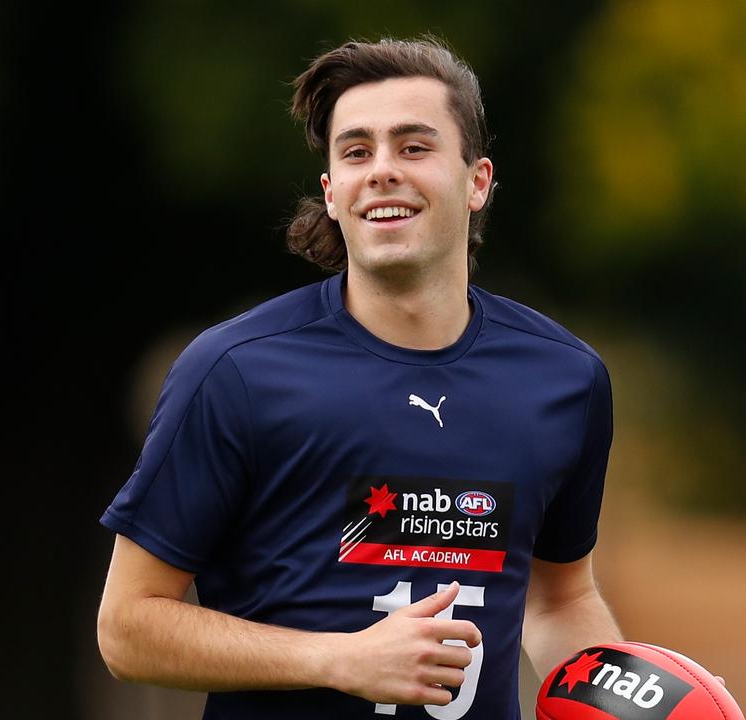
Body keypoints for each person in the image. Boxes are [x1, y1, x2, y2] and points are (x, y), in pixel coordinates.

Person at [96, 36, 622, 719]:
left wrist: (639, 698)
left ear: (478, 181)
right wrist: (336, 658)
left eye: (413, 147)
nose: (381, 171)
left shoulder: (565, 379)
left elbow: (561, 601)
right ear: (334, 194)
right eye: (356, 152)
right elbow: (127, 629)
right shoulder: (235, 372)